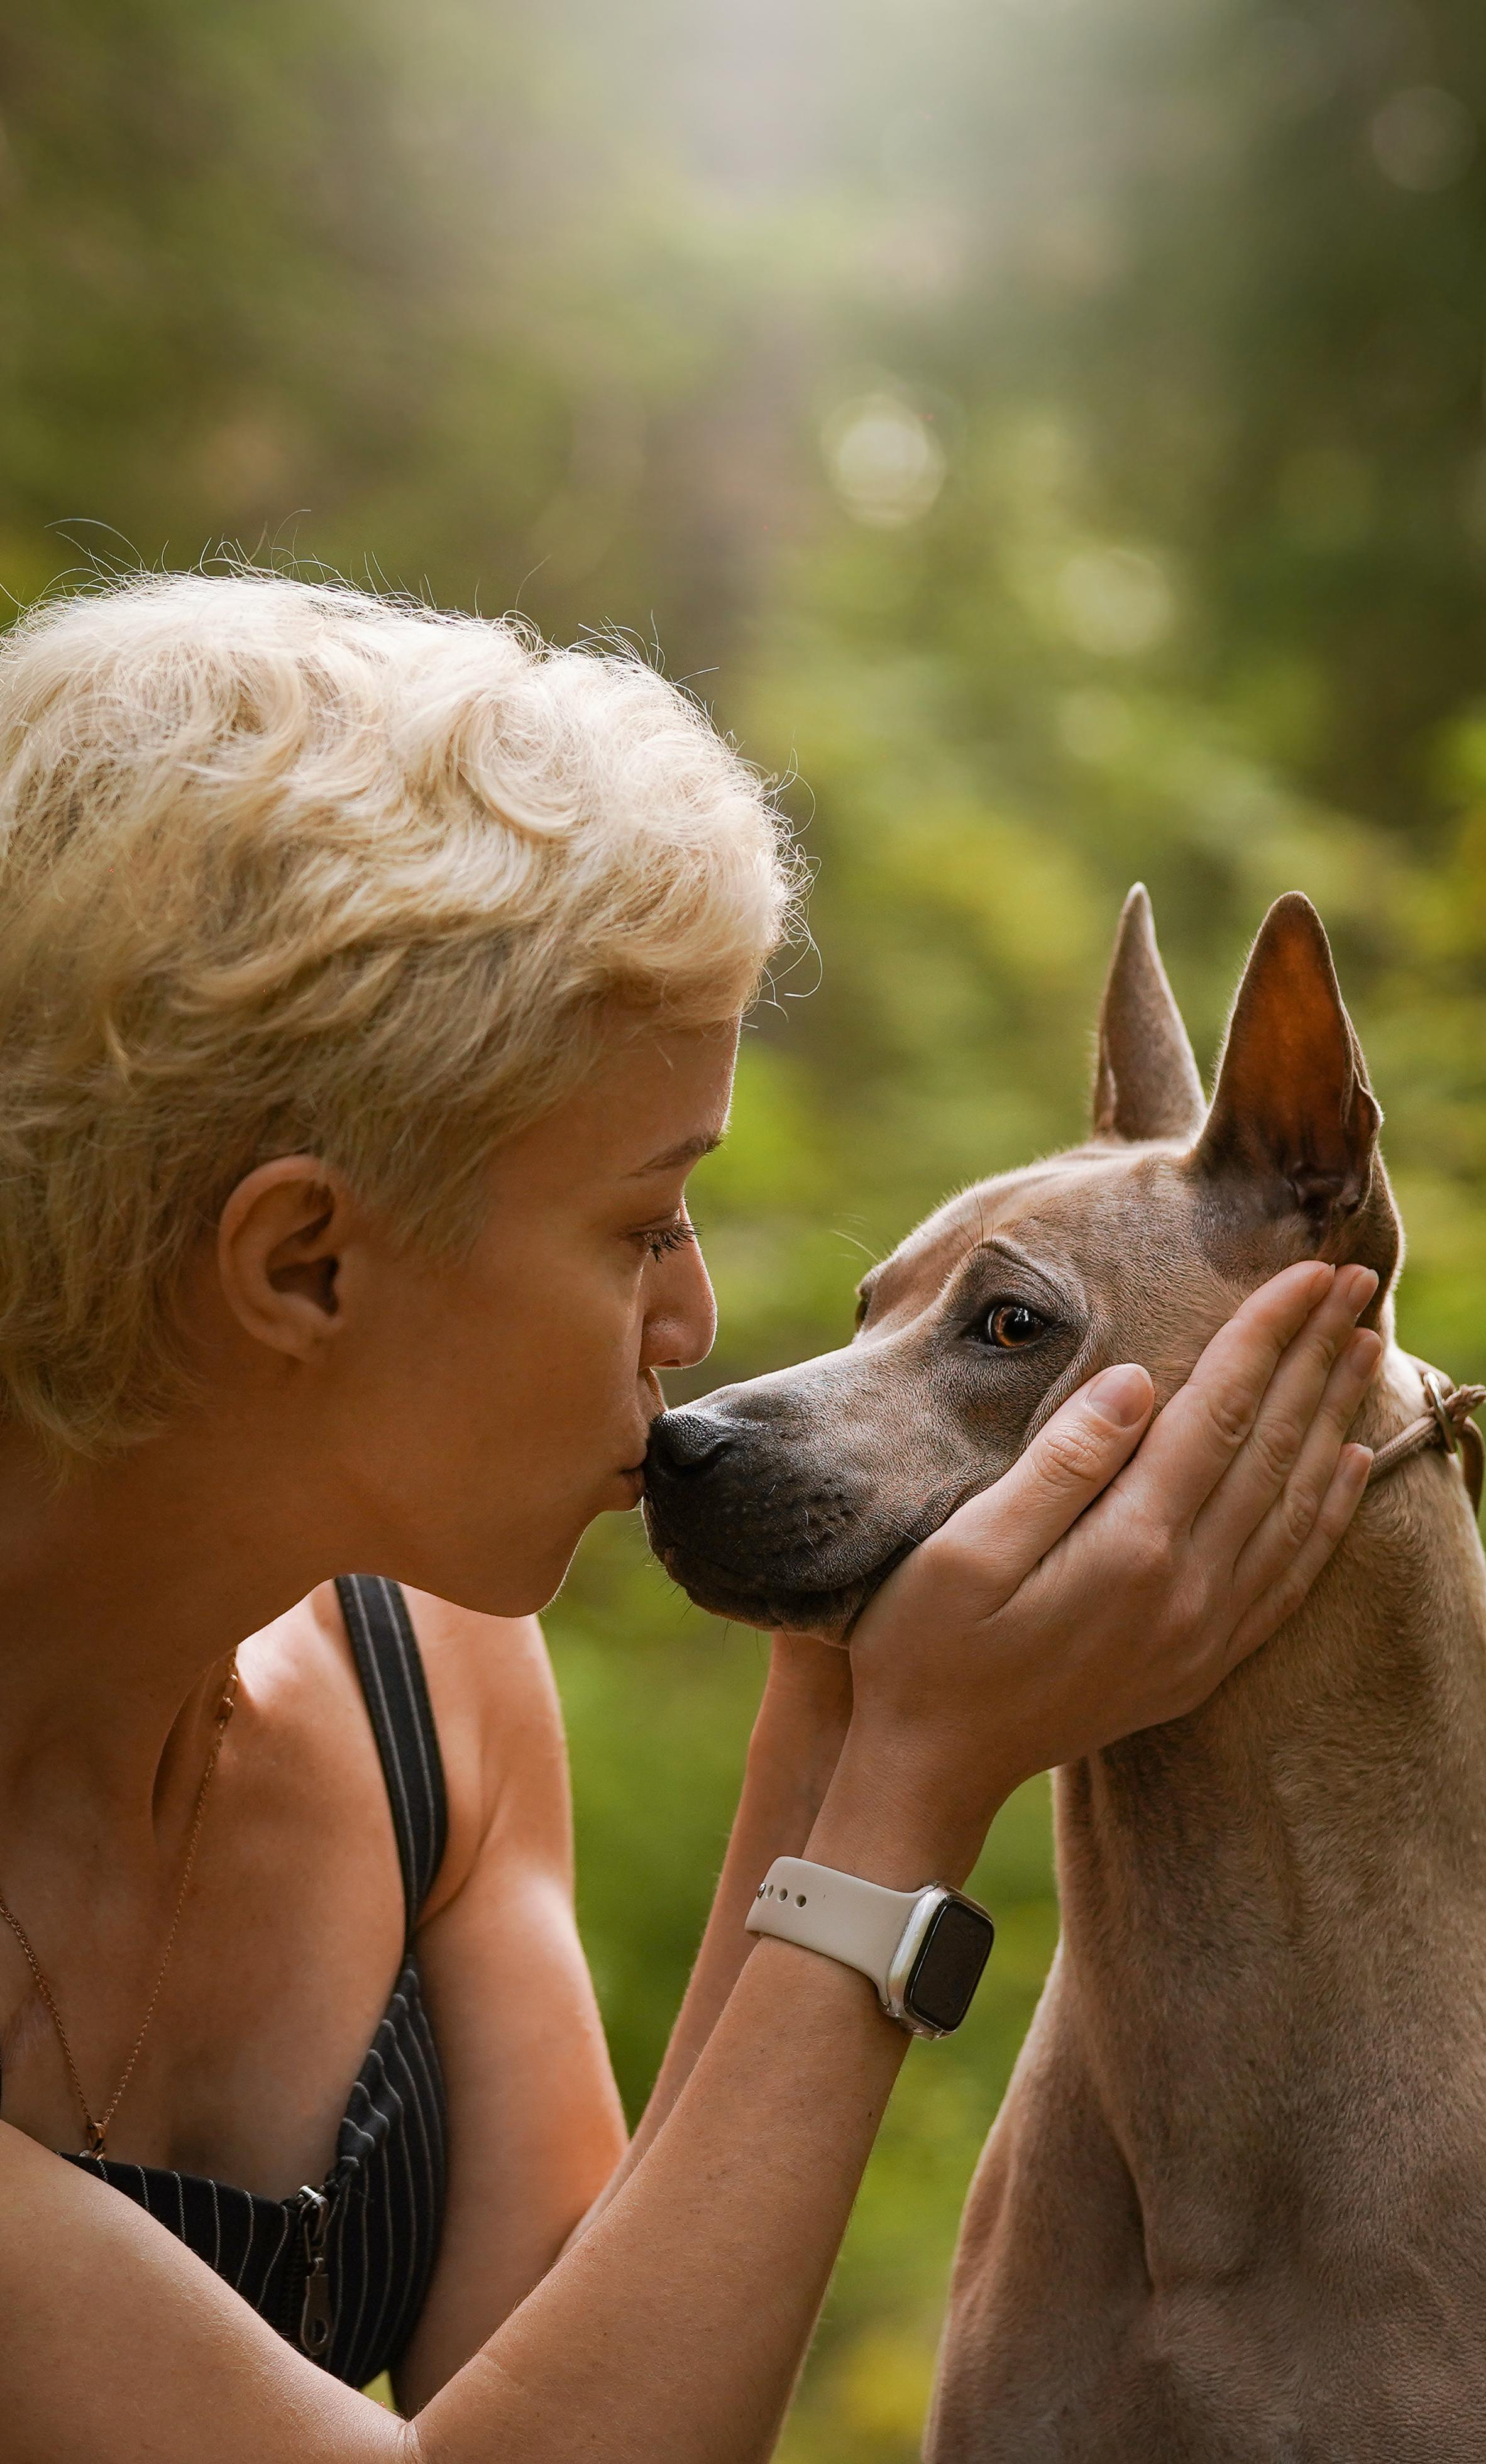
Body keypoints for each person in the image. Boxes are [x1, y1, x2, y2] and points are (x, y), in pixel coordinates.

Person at [0, 572, 1379, 2463]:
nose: (698, 1320)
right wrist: (910, 1796)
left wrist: (843, 1692)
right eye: (642, 1223)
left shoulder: (437, 1689)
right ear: (305, 1260)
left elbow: (595, 2368)